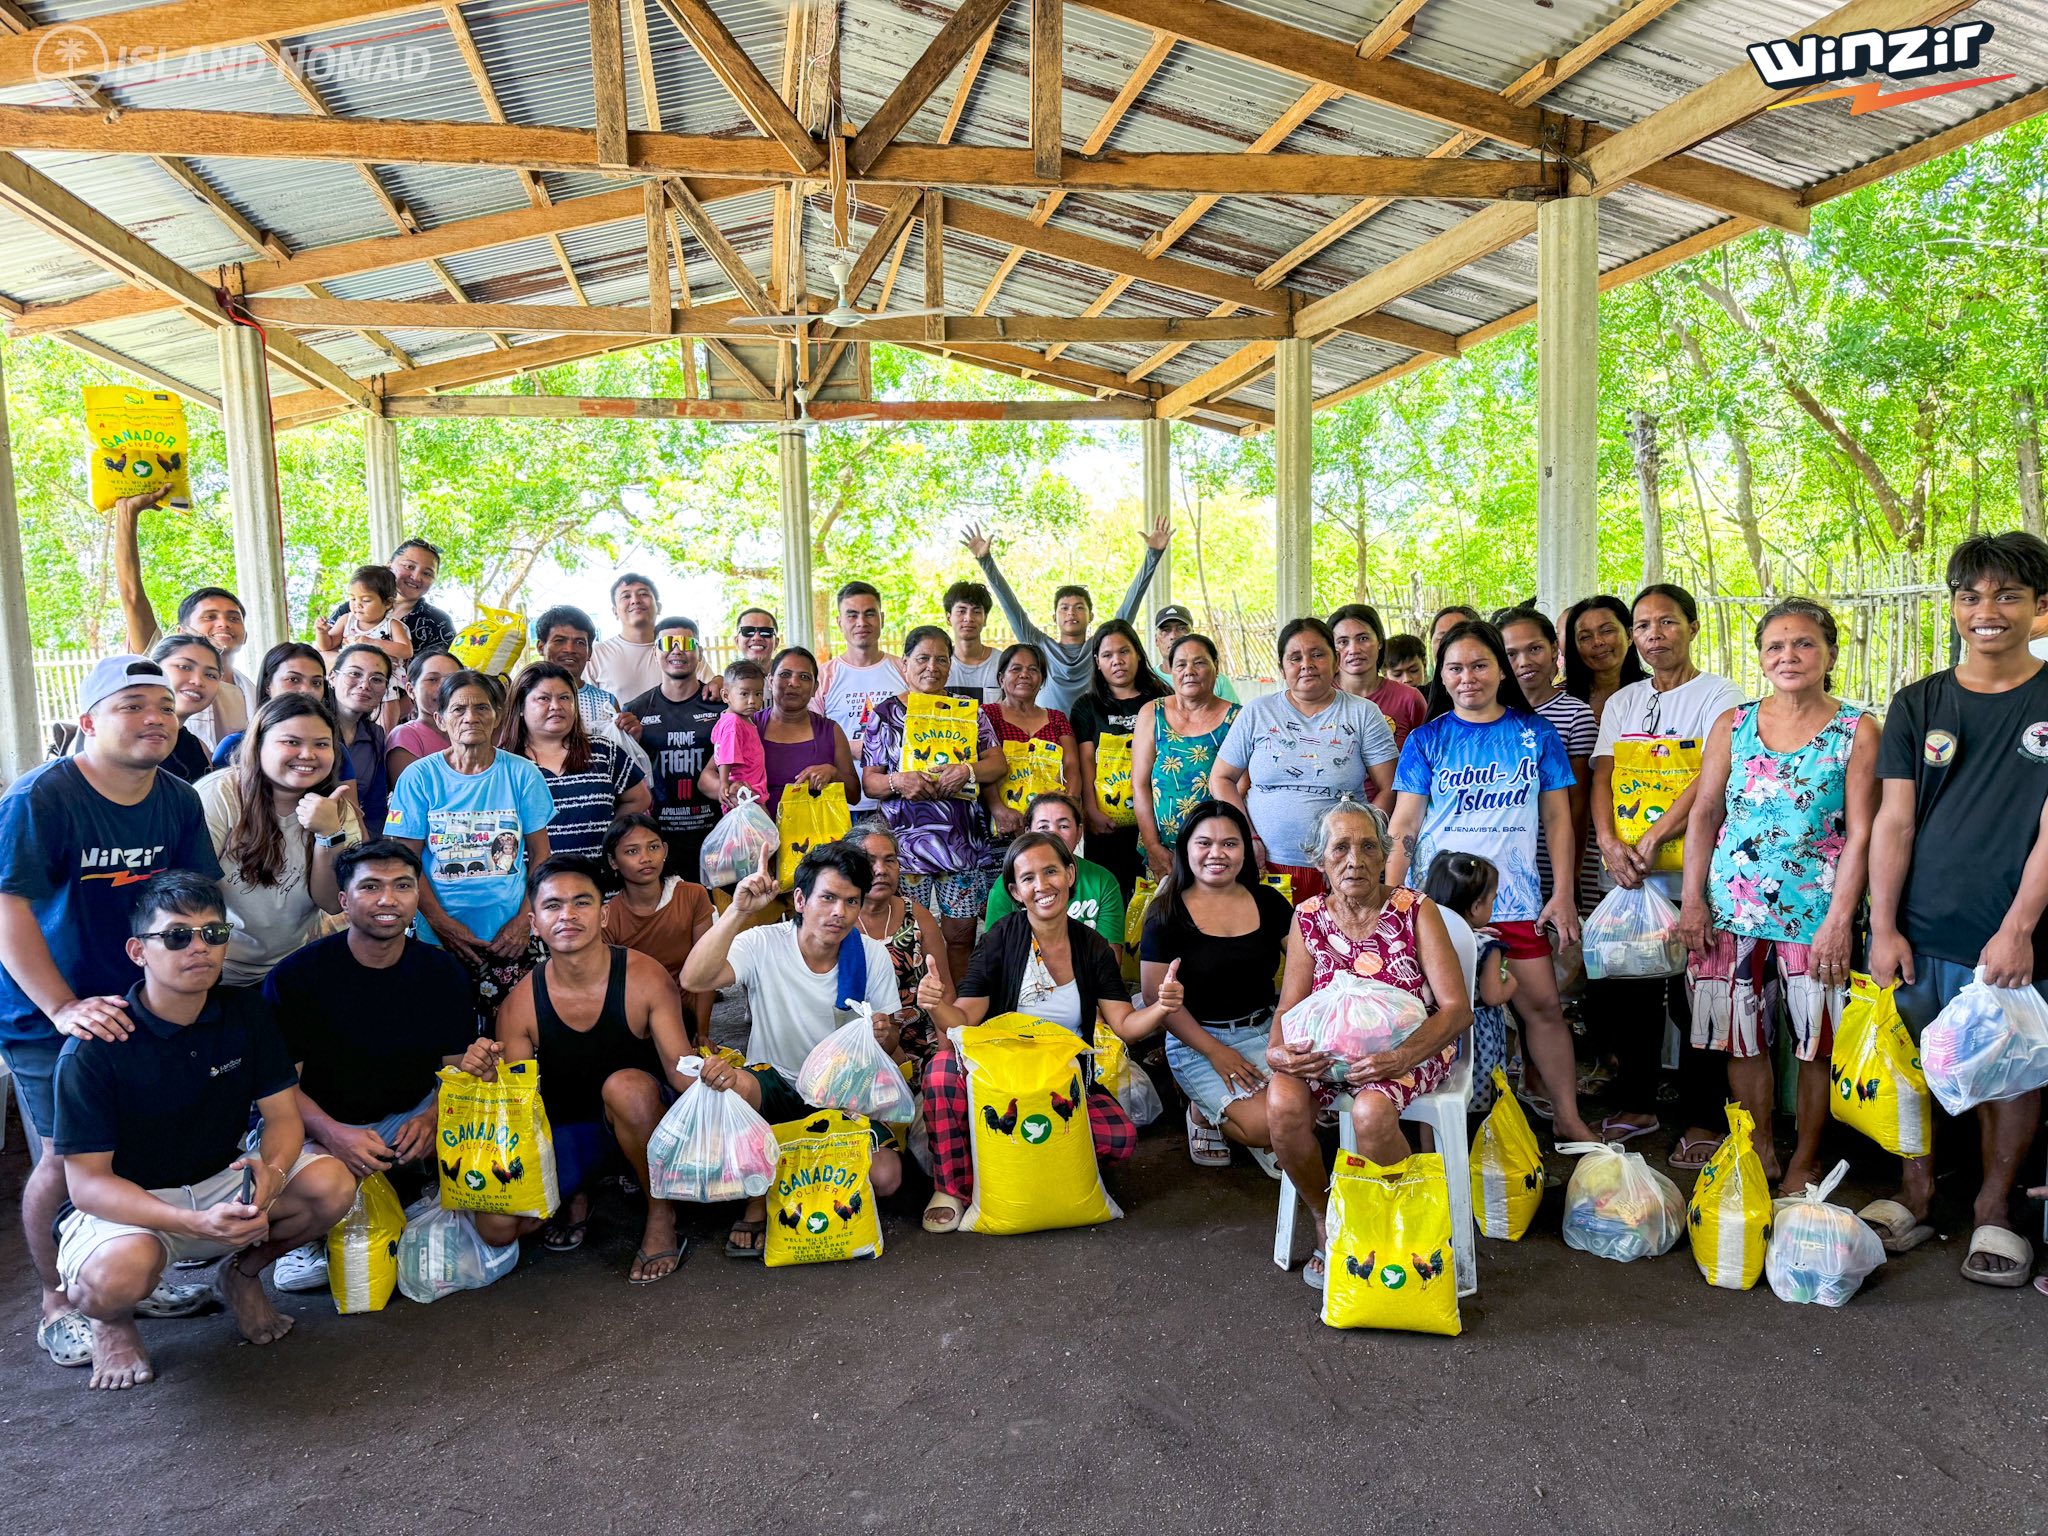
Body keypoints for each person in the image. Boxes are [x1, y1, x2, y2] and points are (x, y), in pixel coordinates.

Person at [0, 655, 224, 1371]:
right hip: (47, 1012)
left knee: (131, 1148)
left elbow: (195, 899)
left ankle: (126, 1274)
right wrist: (62, 1007)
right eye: (132, 706)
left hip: (139, 1002)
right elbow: (8, 908)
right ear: (89, 721)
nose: (154, 718)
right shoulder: (42, 797)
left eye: (164, 707)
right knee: (65, 1158)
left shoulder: (178, 799)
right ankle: (57, 1302)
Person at [51, 871, 357, 1390]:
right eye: (177, 936)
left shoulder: (245, 1013)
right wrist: (192, 1223)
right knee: (118, 1273)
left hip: (221, 1179)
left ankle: (242, 1275)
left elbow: (283, 1117)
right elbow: (87, 1185)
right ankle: (112, 1323)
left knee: (332, 1185)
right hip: (131, 1205)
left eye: (213, 933)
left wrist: (272, 1172)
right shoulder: (95, 1047)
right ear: (138, 951)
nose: (199, 947)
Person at [1867, 532, 2048, 1286]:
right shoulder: (1920, 701)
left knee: (2012, 1071)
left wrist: (2018, 929)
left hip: (2017, 934)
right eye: (1970, 596)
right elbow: (1894, 822)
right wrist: (1882, 925)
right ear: (1953, 607)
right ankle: (1917, 1194)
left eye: (2007, 595)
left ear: (2041, 607)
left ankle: (1994, 1208)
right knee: (1912, 1064)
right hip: (1922, 927)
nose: (1986, 611)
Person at [1677, 598, 1878, 1192]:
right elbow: (1705, 812)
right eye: (1775, 646)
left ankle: (1805, 1159)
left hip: (1817, 913)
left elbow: (1862, 831)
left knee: (1817, 1043)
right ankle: (1759, 1147)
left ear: (1830, 655)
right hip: (1730, 907)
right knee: (1741, 1037)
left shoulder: (1857, 729)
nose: (1789, 656)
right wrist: (1693, 900)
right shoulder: (1733, 724)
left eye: (1804, 643)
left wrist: (1840, 920)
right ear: (1762, 658)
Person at [1384, 619, 1595, 1144]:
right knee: (1431, 1015)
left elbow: (1558, 819)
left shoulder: (1536, 734)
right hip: (1438, 906)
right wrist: (1388, 899)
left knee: (1543, 1008)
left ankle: (1567, 1118)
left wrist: (1562, 894)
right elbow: (1405, 824)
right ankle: (1434, 1134)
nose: (1468, 678)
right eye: (1455, 668)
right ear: (1442, 675)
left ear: (1501, 670)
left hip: (1515, 901)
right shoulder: (1427, 739)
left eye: (1480, 665)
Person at [911, 831, 1186, 1233]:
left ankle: (1031, 1166)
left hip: (1060, 1077)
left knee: (1118, 1137)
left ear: (1070, 875)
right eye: (1028, 878)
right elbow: (964, 1021)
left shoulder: (1092, 946)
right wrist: (936, 1005)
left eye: (1051, 871)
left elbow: (1125, 1025)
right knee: (939, 1072)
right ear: (1015, 892)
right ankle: (952, 1187)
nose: (1042, 885)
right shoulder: (1000, 938)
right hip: (999, 1078)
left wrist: (1161, 1006)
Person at [454, 857, 695, 1285]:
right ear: (534, 923)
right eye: (553, 905)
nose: (567, 915)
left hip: (651, 1124)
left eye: (582, 902)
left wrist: (724, 1087)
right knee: (496, 1228)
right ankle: (580, 1188)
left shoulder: (645, 976)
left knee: (626, 1088)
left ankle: (662, 1211)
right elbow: (520, 1106)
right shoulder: (520, 1004)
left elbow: (681, 1073)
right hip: (576, 1131)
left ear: (603, 914)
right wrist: (487, 1077)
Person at [1265, 800, 1473, 1287]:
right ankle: (1327, 1216)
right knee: (1281, 1103)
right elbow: (1287, 1009)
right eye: (1340, 848)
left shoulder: (1415, 910)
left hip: (1409, 1048)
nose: (1354, 860)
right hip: (1329, 1054)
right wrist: (1276, 1052)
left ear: (1384, 856)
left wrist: (1399, 1057)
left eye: (1367, 847)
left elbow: (1456, 1010)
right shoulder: (1308, 917)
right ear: (1320, 860)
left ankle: (1396, 1222)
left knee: (1371, 1113)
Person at [260, 839, 480, 1293]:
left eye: (402, 886)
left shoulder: (441, 972)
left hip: (405, 1116)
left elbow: (456, 1070)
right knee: (320, 1178)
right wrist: (334, 1135)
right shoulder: (297, 976)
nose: (388, 900)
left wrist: (432, 1117)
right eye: (371, 887)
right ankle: (303, 1241)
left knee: (488, 1125)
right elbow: (280, 1091)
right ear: (344, 900)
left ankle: (411, 1194)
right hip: (318, 1122)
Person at [680, 842, 907, 1260]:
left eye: (851, 901)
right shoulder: (763, 943)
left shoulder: (869, 955)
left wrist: (881, 1034)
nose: (839, 912)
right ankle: (758, 1199)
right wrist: (738, 911)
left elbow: (889, 1040)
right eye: (828, 898)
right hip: (775, 1085)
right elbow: (694, 979)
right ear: (800, 900)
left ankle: (783, 1182)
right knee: (735, 1085)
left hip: (842, 1093)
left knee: (887, 1178)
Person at [1590, 584, 1744, 1166]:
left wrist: (1654, 838)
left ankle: (1705, 1116)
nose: (1654, 635)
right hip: (1631, 877)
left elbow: (1710, 777)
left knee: (1696, 995)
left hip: (1692, 876)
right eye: (1643, 626)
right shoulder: (1624, 702)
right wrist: (1610, 843)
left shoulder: (1721, 695)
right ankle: (1638, 1105)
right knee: (1630, 995)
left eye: (1668, 622)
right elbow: (1603, 774)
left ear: (1693, 627)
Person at [385, 668, 554, 1019]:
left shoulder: (522, 773)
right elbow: (404, 863)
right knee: (444, 1034)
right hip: (437, 937)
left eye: (481, 708)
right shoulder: (419, 777)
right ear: (440, 719)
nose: (470, 717)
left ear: (497, 716)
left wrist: (525, 919)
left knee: (514, 1032)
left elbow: (541, 854)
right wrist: (442, 924)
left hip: (510, 936)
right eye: (458, 709)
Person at [1136, 800, 1292, 1170]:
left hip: (1268, 1029)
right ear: (1185, 849)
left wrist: (1281, 1028)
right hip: (1197, 1040)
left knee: (1305, 1108)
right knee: (1265, 1126)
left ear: (1245, 850)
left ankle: (1242, 1111)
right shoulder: (1165, 914)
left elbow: (1305, 967)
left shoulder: (1269, 901)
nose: (1217, 853)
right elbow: (1156, 1001)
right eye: (1204, 843)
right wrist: (1215, 1052)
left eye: (1230, 843)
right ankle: (1202, 1114)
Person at [1209, 617, 1399, 900]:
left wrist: (1359, 845)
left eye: (1317, 654)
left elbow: (1389, 787)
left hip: (1343, 869)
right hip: (1264, 863)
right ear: (1282, 668)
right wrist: (1246, 837)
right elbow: (1221, 778)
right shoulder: (1257, 712)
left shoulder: (1364, 713)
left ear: (1336, 661)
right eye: (1295, 658)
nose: (1306, 664)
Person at [860, 626, 1007, 984]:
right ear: (905, 662)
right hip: (903, 848)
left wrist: (968, 770)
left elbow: (998, 764)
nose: (932, 667)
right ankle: (912, 1003)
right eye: (923, 658)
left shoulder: (967, 712)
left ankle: (956, 1003)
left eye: (941, 659)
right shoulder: (885, 714)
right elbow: (870, 782)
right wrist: (898, 781)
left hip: (961, 843)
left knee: (960, 935)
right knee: (905, 935)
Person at [197, 694, 365, 986]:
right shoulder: (219, 795)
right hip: (217, 969)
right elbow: (192, 893)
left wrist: (329, 834)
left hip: (294, 965)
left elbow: (331, 902)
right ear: (258, 744)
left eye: (321, 744)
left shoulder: (337, 809)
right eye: (291, 742)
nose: (307, 754)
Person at [963, 513, 1172, 713]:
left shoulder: (1101, 647)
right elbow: (1011, 606)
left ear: (1091, 616)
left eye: (1079, 607)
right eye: (1064, 608)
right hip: (1050, 732)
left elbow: (1130, 604)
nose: (1071, 613)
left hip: (1092, 731)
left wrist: (1153, 555)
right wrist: (986, 561)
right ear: (1054, 618)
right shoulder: (1039, 645)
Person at [112, 485, 251, 748]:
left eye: (234, 618)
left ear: (245, 635)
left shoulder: (251, 689)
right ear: (182, 632)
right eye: (209, 617)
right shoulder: (160, 663)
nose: (223, 623)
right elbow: (132, 595)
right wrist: (127, 514)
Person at [501, 663, 650, 862]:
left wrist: (609, 835)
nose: (556, 706)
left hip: (597, 875)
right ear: (521, 707)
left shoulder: (603, 750)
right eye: (543, 698)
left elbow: (639, 798)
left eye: (565, 697)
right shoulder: (504, 762)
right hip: (533, 879)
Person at [1501, 608, 1595, 912]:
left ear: (1555, 649)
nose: (1524, 662)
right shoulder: (1488, 716)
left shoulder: (1576, 715)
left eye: (1535, 649)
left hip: (1555, 862)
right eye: (1511, 654)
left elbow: (1578, 804)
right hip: (1502, 867)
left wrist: (1568, 876)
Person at [1070, 619, 1170, 899]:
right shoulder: (1086, 706)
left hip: (1157, 821)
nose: (1117, 661)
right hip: (1107, 825)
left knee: (1158, 897)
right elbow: (1086, 763)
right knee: (1109, 896)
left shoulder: (1163, 699)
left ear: (1138, 653)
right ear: (1097, 662)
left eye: (1124, 651)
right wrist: (1091, 811)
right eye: (1107, 655)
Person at [620, 616, 726, 878]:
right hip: (658, 841)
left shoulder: (722, 706)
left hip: (717, 836)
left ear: (699, 652)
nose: (677, 650)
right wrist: (632, 742)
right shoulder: (635, 710)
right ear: (654, 653)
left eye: (686, 643)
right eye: (668, 643)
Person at [600, 812, 715, 1047]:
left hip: (688, 1018)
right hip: (636, 1025)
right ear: (613, 861)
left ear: (665, 850)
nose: (646, 858)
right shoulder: (607, 917)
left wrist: (702, 1033)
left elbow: (707, 969)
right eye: (632, 851)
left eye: (653, 847)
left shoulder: (693, 895)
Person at [852, 820, 952, 1085]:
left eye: (890, 860)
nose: (880, 870)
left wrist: (945, 1062)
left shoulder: (917, 915)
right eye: (869, 861)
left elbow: (945, 992)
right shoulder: (838, 922)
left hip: (922, 1044)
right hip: (858, 1050)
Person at [1133, 632, 1238, 877]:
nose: (1189, 671)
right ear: (1171, 671)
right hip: (1164, 852)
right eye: (1180, 664)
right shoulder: (1152, 713)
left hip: (1218, 852)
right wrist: (1153, 846)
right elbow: (1139, 784)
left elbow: (1241, 787)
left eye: (1199, 663)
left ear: (1216, 666)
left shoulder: (1237, 718)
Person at [1422, 851, 1516, 1114]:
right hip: (1475, 1033)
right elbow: (1493, 995)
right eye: (1492, 900)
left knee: (1436, 1096)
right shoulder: (1486, 945)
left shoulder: (1421, 935)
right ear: (1475, 907)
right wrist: (1511, 983)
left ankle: (1433, 1138)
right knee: (1471, 1097)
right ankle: (1473, 1134)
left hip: (1434, 1031)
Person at [984, 792, 1126, 941]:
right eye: (1043, 826)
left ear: (1079, 833)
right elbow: (994, 949)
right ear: (1028, 833)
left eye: (1063, 826)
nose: (1053, 834)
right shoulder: (1007, 884)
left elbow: (1110, 953)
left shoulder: (1103, 881)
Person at [814, 581, 906, 811]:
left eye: (870, 614)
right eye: (852, 615)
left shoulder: (904, 671)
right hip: (843, 804)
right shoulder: (823, 676)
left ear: (882, 619)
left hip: (898, 802)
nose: (861, 622)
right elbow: (811, 740)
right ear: (839, 622)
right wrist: (860, 748)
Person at [539, 606, 655, 780]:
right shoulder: (523, 697)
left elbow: (620, 763)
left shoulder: (606, 702)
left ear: (590, 652)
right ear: (541, 647)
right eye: (560, 640)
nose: (569, 649)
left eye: (579, 642)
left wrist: (630, 738)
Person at [982, 642, 1080, 841]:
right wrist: (999, 810)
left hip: (1051, 827)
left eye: (1033, 669)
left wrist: (1066, 808)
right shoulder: (987, 715)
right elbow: (983, 765)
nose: (1024, 674)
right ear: (1001, 679)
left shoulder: (1057, 718)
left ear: (1042, 679)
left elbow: (1071, 765)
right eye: (1016, 669)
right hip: (1004, 826)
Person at [753, 646, 858, 817]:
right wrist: (731, 789)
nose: (794, 683)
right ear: (770, 682)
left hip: (818, 832)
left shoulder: (831, 731)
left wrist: (833, 774)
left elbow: (854, 795)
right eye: (785, 674)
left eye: (804, 677)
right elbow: (709, 778)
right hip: (758, 831)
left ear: (815, 688)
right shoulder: (750, 726)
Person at [322, 539, 457, 657]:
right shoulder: (351, 610)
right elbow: (321, 655)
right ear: (389, 565)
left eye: (427, 573)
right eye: (409, 566)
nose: (416, 577)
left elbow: (443, 670)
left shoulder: (438, 622)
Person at [207, 643, 332, 770]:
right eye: (293, 679)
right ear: (268, 685)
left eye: (316, 683)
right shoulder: (233, 748)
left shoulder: (333, 750)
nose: (306, 690)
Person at [1330, 604, 1425, 747]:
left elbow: (1429, 753)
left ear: (1380, 641)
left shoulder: (1409, 699)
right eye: (1343, 642)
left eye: (1363, 639)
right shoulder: (1317, 697)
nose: (1353, 650)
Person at [327, 643, 394, 837]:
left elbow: (376, 807)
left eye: (377, 679)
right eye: (354, 674)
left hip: (356, 838)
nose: (365, 685)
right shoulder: (310, 730)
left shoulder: (376, 735)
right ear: (332, 678)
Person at [147, 633, 223, 783]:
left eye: (210, 675)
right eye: (184, 667)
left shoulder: (199, 748)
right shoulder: (127, 739)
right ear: (153, 668)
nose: (198, 681)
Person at [585, 572, 667, 703]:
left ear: (659, 607)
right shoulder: (595, 655)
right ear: (615, 611)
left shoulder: (680, 651)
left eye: (643, 594)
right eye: (626, 596)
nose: (635, 600)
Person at [314, 564, 414, 670]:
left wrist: (372, 643)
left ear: (387, 603)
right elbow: (326, 646)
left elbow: (407, 651)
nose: (357, 604)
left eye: (366, 600)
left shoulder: (392, 625)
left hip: (384, 676)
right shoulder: (346, 620)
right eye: (353, 599)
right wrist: (321, 632)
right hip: (351, 675)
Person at [385, 648, 459, 782]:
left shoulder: (468, 730)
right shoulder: (405, 736)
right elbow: (410, 791)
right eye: (432, 679)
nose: (444, 687)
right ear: (410, 690)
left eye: (452, 680)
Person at [703, 660, 769, 809]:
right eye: (744, 694)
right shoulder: (733, 722)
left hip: (750, 793)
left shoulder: (738, 719)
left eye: (758, 694)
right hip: (743, 795)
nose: (752, 701)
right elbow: (726, 754)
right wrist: (724, 783)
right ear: (726, 696)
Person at [1151, 604, 1240, 704]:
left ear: (1192, 635)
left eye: (1181, 628)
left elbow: (1234, 713)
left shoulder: (1218, 680)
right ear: (1156, 640)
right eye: (1166, 630)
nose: (1173, 636)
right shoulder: (1147, 680)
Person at [944, 580, 1002, 701]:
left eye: (976, 612)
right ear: (948, 618)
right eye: (961, 611)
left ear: (985, 619)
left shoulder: (1002, 663)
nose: (969, 618)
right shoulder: (938, 664)